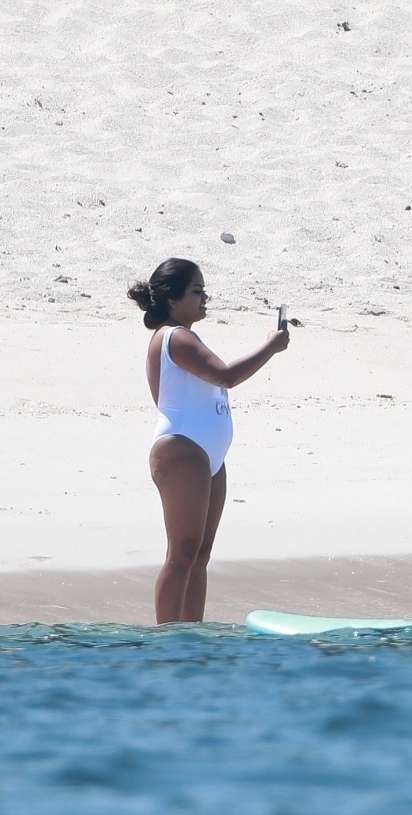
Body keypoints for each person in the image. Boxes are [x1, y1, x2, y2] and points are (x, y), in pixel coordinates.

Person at [128, 257, 290, 623]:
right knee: (182, 552)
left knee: (200, 553)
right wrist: (271, 346)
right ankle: (169, 638)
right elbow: (227, 376)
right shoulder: (175, 337)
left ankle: (192, 636)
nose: (205, 297)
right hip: (183, 450)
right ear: (172, 299)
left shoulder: (187, 336)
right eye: (197, 291)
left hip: (208, 455)